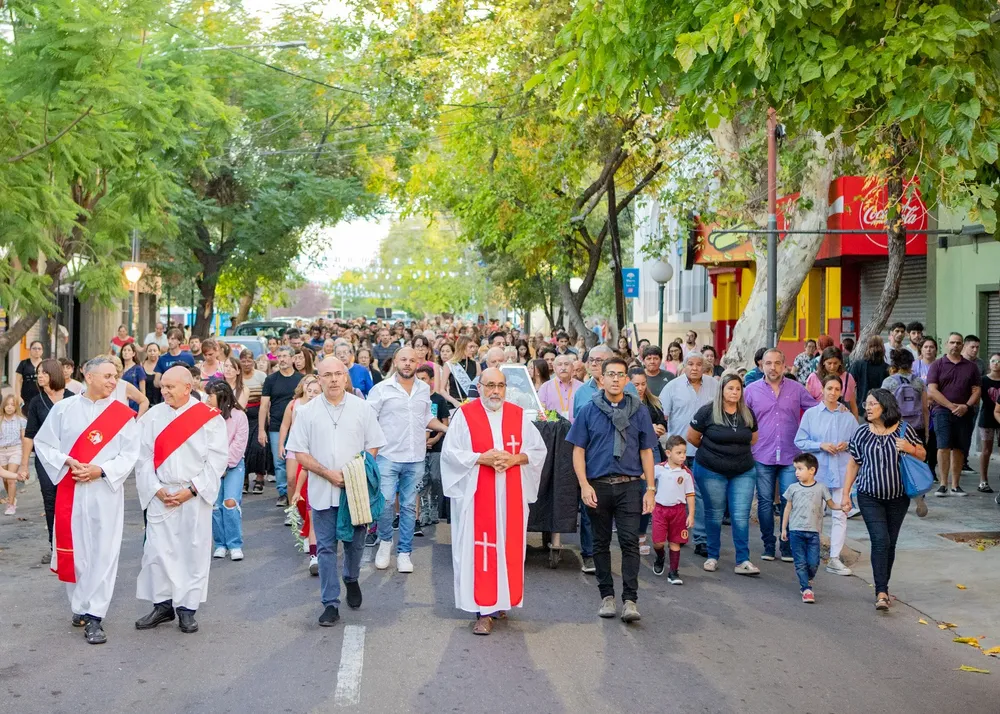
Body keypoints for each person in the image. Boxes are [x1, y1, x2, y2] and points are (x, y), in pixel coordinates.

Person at [33, 357, 140, 645]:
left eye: (114, 376)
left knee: (104, 552)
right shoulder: (64, 409)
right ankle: (79, 606)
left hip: (104, 490)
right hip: (72, 488)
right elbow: (44, 444)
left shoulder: (121, 414)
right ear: (87, 375)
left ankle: (95, 615)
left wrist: (101, 470)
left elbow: (130, 454)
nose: (112, 381)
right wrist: (66, 461)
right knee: (75, 550)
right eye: (106, 375)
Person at [439, 367, 546, 635]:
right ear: (480, 386)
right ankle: (483, 610)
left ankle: (502, 599)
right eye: (490, 385)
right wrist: (480, 458)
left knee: (508, 547)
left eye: (500, 385)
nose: (495, 391)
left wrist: (514, 458)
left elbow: (537, 450)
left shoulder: (518, 415)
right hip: (478, 496)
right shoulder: (465, 415)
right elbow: (450, 454)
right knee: (483, 549)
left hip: (511, 495)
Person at [285, 357, 386, 627]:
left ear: (345, 377)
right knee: (326, 548)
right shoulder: (306, 412)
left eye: (337, 374)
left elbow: (374, 444)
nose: (332, 379)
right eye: (326, 375)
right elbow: (299, 452)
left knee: (355, 544)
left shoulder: (361, 408)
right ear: (318, 379)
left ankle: (351, 578)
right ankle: (330, 603)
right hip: (321, 490)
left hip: (354, 492)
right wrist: (327, 473)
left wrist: (356, 470)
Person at [135, 366, 228, 635]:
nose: (163, 391)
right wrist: (155, 488)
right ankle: (162, 605)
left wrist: (193, 489)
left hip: (192, 495)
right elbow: (142, 457)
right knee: (157, 551)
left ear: (187, 388)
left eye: (170, 387)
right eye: (162, 386)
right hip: (161, 494)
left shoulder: (209, 418)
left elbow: (217, 460)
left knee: (192, 551)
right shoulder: (152, 417)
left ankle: (187, 609)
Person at [567, 356, 657, 623]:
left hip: (630, 486)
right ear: (601, 379)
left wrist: (650, 489)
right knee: (600, 543)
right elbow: (578, 451)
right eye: (611, 374)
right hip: (597, 487)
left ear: (627, 380)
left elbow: (647, 452)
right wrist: (583, 485)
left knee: (630, 542)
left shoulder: (639, 410)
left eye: (621, 374)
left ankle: (630, 600)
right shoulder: (588, 410)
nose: (616, 379)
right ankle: (607, 596)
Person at [842, 388, 925, 611]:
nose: (867, 408)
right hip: (869, 496)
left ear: (885, 406)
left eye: (872, 404)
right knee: (880, 540)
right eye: (866, 403)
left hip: (898, 497)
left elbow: (923, 454)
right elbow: (853, 464)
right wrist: (845, 494)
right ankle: (881, 592)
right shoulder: (861, 433)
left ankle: (883, 586)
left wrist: (909, 448)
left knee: (890, 543)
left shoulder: (904, 430)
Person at [367, 347, 449, 573]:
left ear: (417, 363)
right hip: (387, 456)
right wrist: (368, 453)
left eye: (412, 360)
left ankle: (404, 552)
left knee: (409, 506)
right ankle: (385, 542)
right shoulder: (380, 390)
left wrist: (447, 429)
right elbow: (367, 421)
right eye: (403, 359)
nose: (407, 364)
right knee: (384, 504)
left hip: (414, 457)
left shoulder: (423, 389)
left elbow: (427, 418)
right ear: (395, 362)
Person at [745, 349, 818, 562]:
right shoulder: (751, 391)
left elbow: (815, 411)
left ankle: (786, 546)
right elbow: (742, 419)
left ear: (784, 365)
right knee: (766, 502)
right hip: (761, 454)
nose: (773, 367)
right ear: (762, 365)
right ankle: (768, 545)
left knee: (790, 501)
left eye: (777, 363)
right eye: (768, 363)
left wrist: (837, 408)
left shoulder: (797, 389)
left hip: (791, 456)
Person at [686, 373, 760, 575]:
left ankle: (743, 560)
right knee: (714, 514)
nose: (734, 392)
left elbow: (753, 439)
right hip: (711, 470)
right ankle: (712, 556)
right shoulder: (707, 411)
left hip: (743, 470)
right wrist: (713, 451)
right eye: (730, 388)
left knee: (740, 516)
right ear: (722, 390)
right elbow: (692, 437)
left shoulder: (747, 413)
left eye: (738, 388)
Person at [794, 373, 862, 575]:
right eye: (829, 388)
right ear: (822, 390)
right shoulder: (812, 414)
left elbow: (858, 443)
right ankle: (810, 555)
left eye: (837, 389)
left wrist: (847, 445)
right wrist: (820, 445)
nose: (833, 393)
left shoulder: (847, 417)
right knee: (815, 515)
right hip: (819, 473)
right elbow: (800, 441)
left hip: (841, 472)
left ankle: (834, 557)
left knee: (840, 515)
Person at [659, 353, 718, 556]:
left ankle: (701, 538)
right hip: (678, 451)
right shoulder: (672, 387)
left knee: (700, 495)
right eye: (691, 364)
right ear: (684, 366)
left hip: (705, 450)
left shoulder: (714, 386)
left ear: (705, 367)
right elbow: (662, 416)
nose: (694, 368)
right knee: (676, 496)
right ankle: (677, 534)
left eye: (699, 365)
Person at [926, 332, 981, 496]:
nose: (955, 345)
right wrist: (951, 406)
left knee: (959, 448)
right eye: (952, 342)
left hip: (964, 412)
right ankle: (943, 485)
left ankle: (955, 485)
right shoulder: (937, 365)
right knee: (943, 446)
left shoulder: (971, 367)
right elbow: (932, 390)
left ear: (962, 345)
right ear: (946, 345)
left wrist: (966, 405)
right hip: (942, 411)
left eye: (958, 343)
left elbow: (977, 390)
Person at [780, 453, 837, 603]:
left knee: (813, 562)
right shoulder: (792, 488)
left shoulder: (821, 488)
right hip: (795, 531)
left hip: (813, 532)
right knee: (800, 562)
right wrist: (784, 528)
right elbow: (787, 508)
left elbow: (831, 505)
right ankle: (806, 589)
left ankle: (807, 579)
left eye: (800, 469)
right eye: (795, 469)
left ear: (812, 470)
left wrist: (842, 507)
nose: (796, 472)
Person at [207, 381, 248, 561]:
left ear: (221, 396)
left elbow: (239, 444)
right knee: (215, 505)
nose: (208, 399)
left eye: (211, 395)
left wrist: (225, 464)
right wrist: (215, 465)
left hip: (234, 465)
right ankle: (220, 544)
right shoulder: (206, 417)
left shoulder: (239, 416)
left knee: (230, 502)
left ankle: (234, 544)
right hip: (212, 466)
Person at [259, 346, 303, 508]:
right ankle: (283, 493)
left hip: (299, 426)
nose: (282, 359)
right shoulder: (271, 380)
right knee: (280, 460)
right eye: (279, 357)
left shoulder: (301, 379)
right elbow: (264, 406)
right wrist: (262, 430)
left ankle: (297, 491)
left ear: (293, 358)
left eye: (285, 356)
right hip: (277, 425)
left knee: (299, 460)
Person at [650, 436, 695, 584]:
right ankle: (660, 556)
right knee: (658, 542)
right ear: (668, 453)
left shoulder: (686, 473)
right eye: (679, 452)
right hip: (660, 510)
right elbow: (647, 476)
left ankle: (674, 572)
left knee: (675, 542)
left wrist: (691, 514)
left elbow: (690, 495)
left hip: (678, 511)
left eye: (684, 452)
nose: (682, 456)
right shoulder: (659, 469)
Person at [415, 365, 451, 528]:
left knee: (436, 478)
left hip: (436, 447)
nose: (421, 381)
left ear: (430, 380)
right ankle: (424, 510)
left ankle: (435, 506)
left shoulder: (438, 399)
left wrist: (435, 439)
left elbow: (444, 422)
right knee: (422, 480)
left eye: (424, 378)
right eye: (419, 378)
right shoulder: (416, 399)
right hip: (420, 448)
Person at [805, 346, 858, 419]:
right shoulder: (813, 378)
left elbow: (853, 404)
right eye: (829, 363)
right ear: (823, 362)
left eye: (835, 363)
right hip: (819, 419)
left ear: (840, 362)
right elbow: (807, 403)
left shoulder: (848, 378)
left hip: (842, 419)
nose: (832, 367)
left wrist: (856, 424)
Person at [977, 353, 1000, 494]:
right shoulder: (983, 380)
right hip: (987, 418)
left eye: (998, 361)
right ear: (989, 363)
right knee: (986, 450)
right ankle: (983, 480)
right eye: (993, 361)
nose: (996, 363)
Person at [537, 354, 584, 422]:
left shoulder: (581, 387)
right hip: (553, 430)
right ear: (554, 368)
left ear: (572, 367)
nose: (563, 367)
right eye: (559, 364)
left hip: (576, 429)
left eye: (566, 364)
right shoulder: (545, 387)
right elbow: (540, 412)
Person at [0, 395, 26, 515]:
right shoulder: (0, 419)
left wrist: (24, 459)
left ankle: (10, 504)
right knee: (5, 478)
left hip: (15, 450)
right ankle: (12, 497)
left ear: (16, 407)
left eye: (12, 404)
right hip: (1, 451)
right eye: (7, 404)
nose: (9, 407)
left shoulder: (21, 420)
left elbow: (24, 439)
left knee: (11, 479)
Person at [848, 335, 889, 406]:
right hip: (881, 407)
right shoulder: (887, 368)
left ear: (867, 347)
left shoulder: (858, 365)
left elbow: (848, 386)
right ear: (883, 348)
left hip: (862, 407)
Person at [15, 340, 45, 408]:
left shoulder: (45, 364)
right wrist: (18, 396)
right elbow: (18, 381)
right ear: (30, 350)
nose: (37, 350)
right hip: (26, 398)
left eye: (39, 348)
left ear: (42, 351)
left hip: (42, 397)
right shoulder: (23, 363)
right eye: (34, 348)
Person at [119, 344, 146, 412]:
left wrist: (142, 405)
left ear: (133, 353)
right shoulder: (119, 368)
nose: (126, 352)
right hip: (120, 400)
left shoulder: (138, 368)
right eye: (124, 350)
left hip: (134, 403)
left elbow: (142, 390)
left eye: (129, 350)